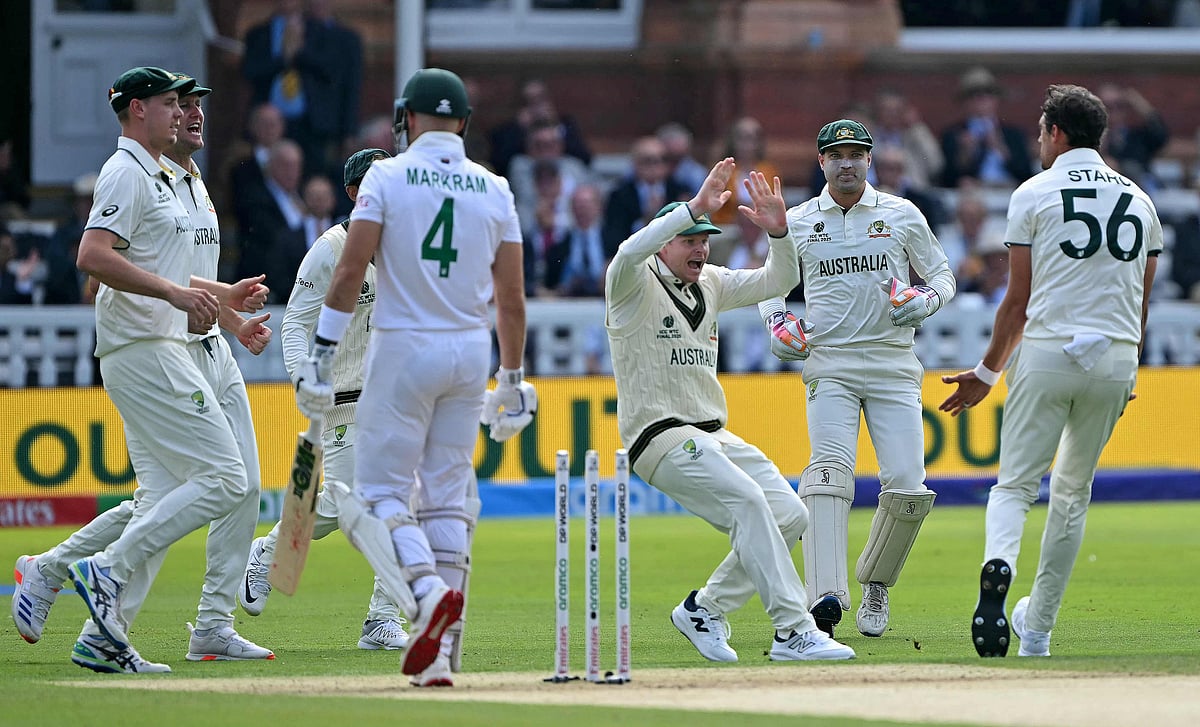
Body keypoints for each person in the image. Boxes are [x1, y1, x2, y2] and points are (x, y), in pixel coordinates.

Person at [17, 67, 265, 673]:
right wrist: (181, 301)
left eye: (190, 103)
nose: (186, 112)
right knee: (223, 481)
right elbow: (93, 257)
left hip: (188, 345)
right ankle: (105, 570)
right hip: (149, 346)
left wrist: (225, 307)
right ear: (136, 110)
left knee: (184, 494)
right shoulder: (126, 172)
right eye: (173, 103)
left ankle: (83, 606)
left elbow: (171, 270)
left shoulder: (183, 176)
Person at [293, 68, 533, 687]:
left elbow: (349, 274)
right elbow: (512, 297)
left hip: (402, 348)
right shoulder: (495, 186)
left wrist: (320, 356)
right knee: (449, 498)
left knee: (374, 497)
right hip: (468, 354)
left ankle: (424, 593)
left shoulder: (386, 175)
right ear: (464, 122)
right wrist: (511, 378)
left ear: (407, 120)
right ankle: (443, 659)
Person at [940, 84, 1162, 658]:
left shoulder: (1034, 193)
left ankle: (998, 566)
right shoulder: (1141, 200)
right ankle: (1036, 630)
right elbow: (1140, 303)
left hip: (1047, 353)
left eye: (1041, 131)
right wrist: (1127, 371)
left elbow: (1017, 302)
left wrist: (986, 374)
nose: (1038, 140)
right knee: (1072, 495)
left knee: (1014, 485)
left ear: (1057, 133)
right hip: (1114, 358)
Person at [605, 156, 855, 663]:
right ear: (664, 242)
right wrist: (694, 206)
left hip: (712, 433)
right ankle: (792, 630)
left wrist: (781, 233)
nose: (700, 249)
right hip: (659, 436)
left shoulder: (712, 283)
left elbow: (777, 281)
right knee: (747, 502)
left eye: (704, 240)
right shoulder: (631, 284)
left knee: (789, 513)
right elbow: (627, 253)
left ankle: (703, 608)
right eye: (690, 240)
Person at [757, 119, 955, 640]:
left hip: (893, 363)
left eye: (856, 154)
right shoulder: (797, 221)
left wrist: (924, 302)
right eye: (836, 155)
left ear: (870, 160)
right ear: (821, 162)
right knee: (827, 475)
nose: (847, 163)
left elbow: (942, 276)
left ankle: (876, 584)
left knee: (909, 488)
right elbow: (770, 288)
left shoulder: (901, 213)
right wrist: (778, 326)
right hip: (830, 362)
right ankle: (824, 596)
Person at [239, 147, 410, 652]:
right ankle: (270, 551)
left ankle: (381, 619)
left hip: (394, 400)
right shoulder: (332, 248)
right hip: (341, 400)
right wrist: (301, 380)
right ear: (355, 192)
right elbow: (295, 321)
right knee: (346, 504)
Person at [939, 67, 1034, 188]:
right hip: (973, 194)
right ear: (965, 102)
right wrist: (965, 155)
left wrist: (1001, 148)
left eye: (987, 94)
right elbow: (947, 179)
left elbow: (1026, 173)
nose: (981, 100)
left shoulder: (1013, 134)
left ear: (996, 99)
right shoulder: (953, 134)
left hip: (1008, 189)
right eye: (973, 95)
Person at [602, 136, 689, 258]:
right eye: (649, 160)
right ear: (636, 163)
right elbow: (614, 237)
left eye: (662, 160)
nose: (656, 166)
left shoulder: (679, 191)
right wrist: (645, 221)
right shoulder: (620, 196)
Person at [711, 116, 782, 225]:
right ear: (733, 141)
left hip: (762, 228)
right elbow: (716, 209)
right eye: (742, 138)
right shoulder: (723, 170)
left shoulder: (769, 171)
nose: (747, 144)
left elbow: (775, 206)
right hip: (728, 229)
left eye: (751, 138)